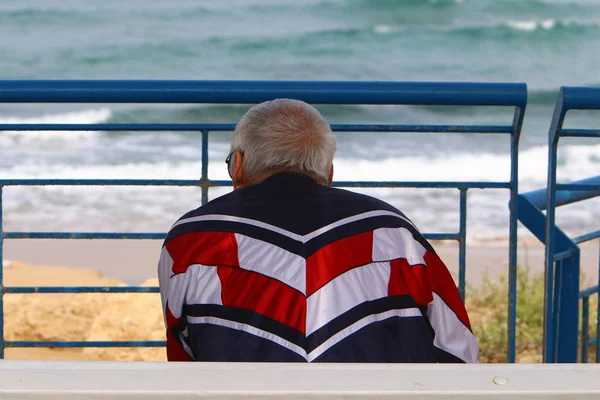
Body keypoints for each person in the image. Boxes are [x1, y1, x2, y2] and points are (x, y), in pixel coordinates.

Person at [158, 99, 478, 363]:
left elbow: (183, 359)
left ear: (237, 166)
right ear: (329, 172)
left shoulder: (192, 240)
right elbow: (458, 349)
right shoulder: (394, 233)